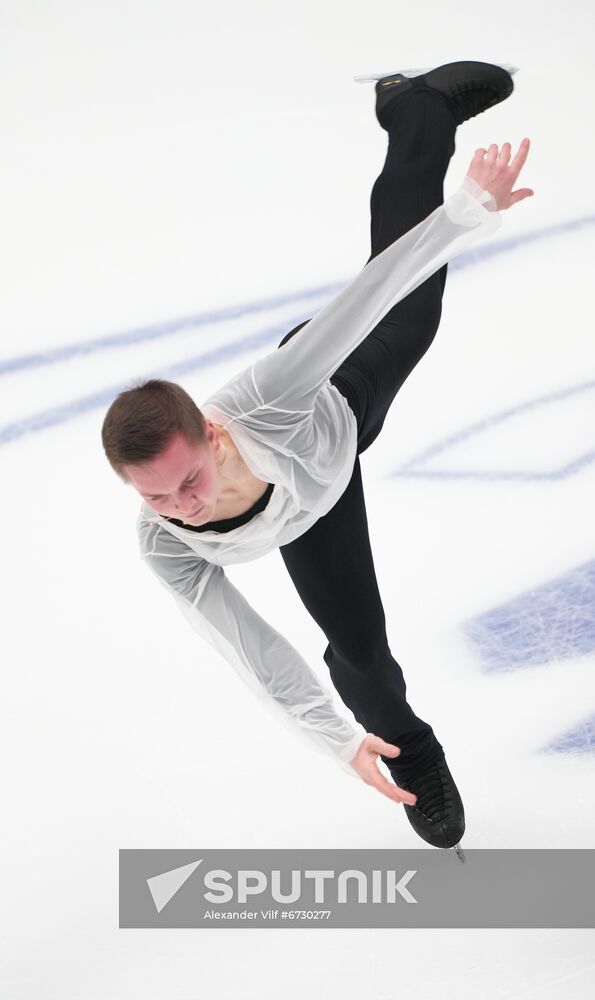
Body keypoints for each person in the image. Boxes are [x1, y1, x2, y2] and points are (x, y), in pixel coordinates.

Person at [101, 61, 533, 851]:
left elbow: (370, 291)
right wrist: (338, 743)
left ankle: (417, 108)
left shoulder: (269, 394)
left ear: (214, 434)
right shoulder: (166, 542)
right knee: (360, 655)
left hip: (334, 401)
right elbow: (252, 650)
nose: (183, 508)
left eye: (188, 482)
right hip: (314, 511)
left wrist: (464, 215)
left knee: (411, 310)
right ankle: (415, 752)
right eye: (158, 498)